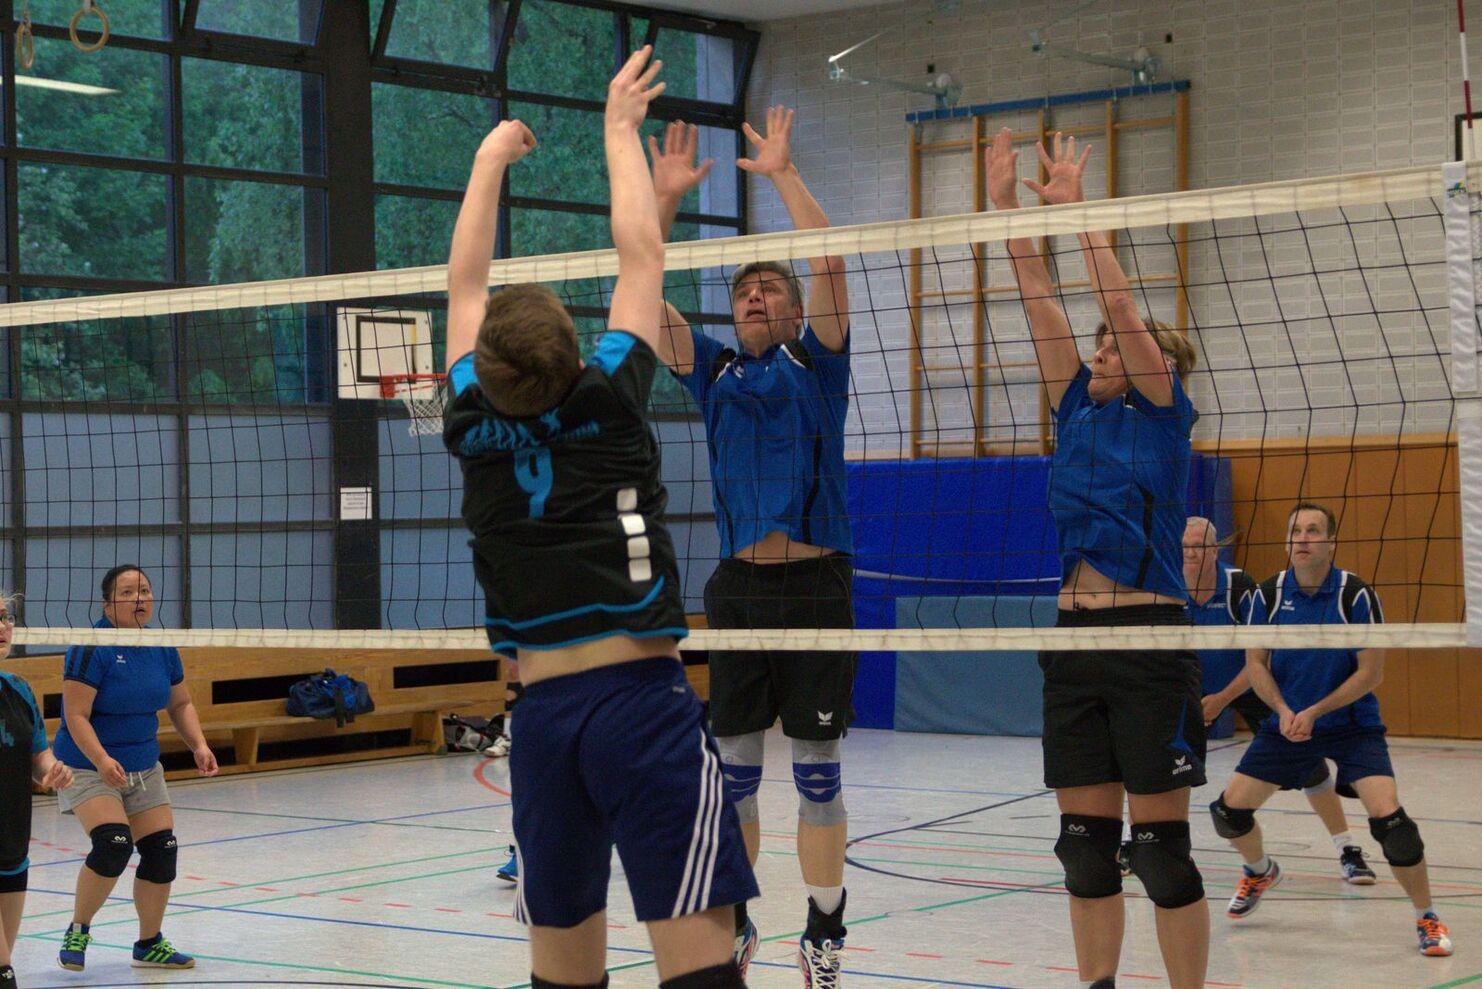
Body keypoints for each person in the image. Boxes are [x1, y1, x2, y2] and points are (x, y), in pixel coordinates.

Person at [442, 47, 757, 989]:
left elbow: (462, 286)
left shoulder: (468, 420)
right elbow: (642, 252)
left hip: (541, 723)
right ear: (577, 353)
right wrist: (620, 130)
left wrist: (488, 160)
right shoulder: (613, 400)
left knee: (562, 974)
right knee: (700, 967)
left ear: (491, 373)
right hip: (639, 708)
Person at [985, 127, 1208, 989]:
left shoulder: (1161, 414)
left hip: (1149, 640)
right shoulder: (1075, 405)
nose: (1101, 350)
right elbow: (1039, 297)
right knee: (1084, 851)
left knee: (1161, 855)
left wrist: (1084, 220)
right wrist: (1008, 210)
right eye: (1103, 348)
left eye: (1114, 348)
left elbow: (1118, 309)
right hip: (1073, 644)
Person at [647, 109, 853, 985]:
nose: (754, 299)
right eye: (742, 293)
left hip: (813, 587)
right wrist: (659, 205)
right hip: (734, 589)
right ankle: (736, 923)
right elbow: (641, 291)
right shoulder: (715, 371)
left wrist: (780, 174)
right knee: (734, 775)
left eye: (769, 291)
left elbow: (832, 259)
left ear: (797, 310)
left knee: (815, 770)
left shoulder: (819, 364)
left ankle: (826, 928)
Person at [1208, 502, 1452, 957]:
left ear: (1330, 542)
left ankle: (1428, 917)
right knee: (1227, 814)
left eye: (1313, 530)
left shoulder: (1355, 595)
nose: (1302, 538)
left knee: (1394, 825)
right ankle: (1260, 870)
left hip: (1351, 725)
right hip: (1288, 722)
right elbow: (1256, 664)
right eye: (1295, 531)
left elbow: (1371, 674)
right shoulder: (1267, 595)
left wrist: (1315, 711)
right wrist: (1281, 709)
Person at [1186, 516, 1376, 885]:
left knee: (1310, 767)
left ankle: (1347, 848)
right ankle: (1150, 843)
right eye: (1186, 546)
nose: (1193, 553)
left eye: (1202, 545)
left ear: (1215, 549)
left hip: (1247, 685)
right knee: (1169, 762)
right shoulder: (1169, 586)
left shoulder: (1239, 586)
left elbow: (1259, 659)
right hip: (1193, 688)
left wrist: (1223, 699)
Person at [52, 565, 218, 973]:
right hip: (87, 763)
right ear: (108, 602)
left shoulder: (161, 644)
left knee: (162, 851)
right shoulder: (92, 646)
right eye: (128, 592)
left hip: (142, 763)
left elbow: (180, 703)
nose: (139, 598)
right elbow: (75, 714)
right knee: (113, 844)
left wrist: (198, 744)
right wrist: (102, 760)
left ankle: (149, 943)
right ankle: (78, 929)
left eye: (144, 590)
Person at [1, 593, 75, 988]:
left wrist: (53, 771)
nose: (2, 627)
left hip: (13, 837)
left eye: (5, 617)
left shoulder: (18, 688)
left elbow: (39, 755)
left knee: (4, 960)